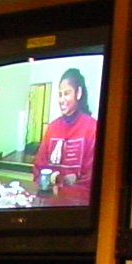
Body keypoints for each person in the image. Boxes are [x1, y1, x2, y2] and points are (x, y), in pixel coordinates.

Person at [33, 66, 98, 204]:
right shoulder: (52, 127)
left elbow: (91, 179)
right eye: (60, 94)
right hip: (49, 206)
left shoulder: (92, 128)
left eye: (67, 93)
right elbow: (39, 168)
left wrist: (62, 190)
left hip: (78, 209)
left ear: (78, 93)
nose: (62, 99)